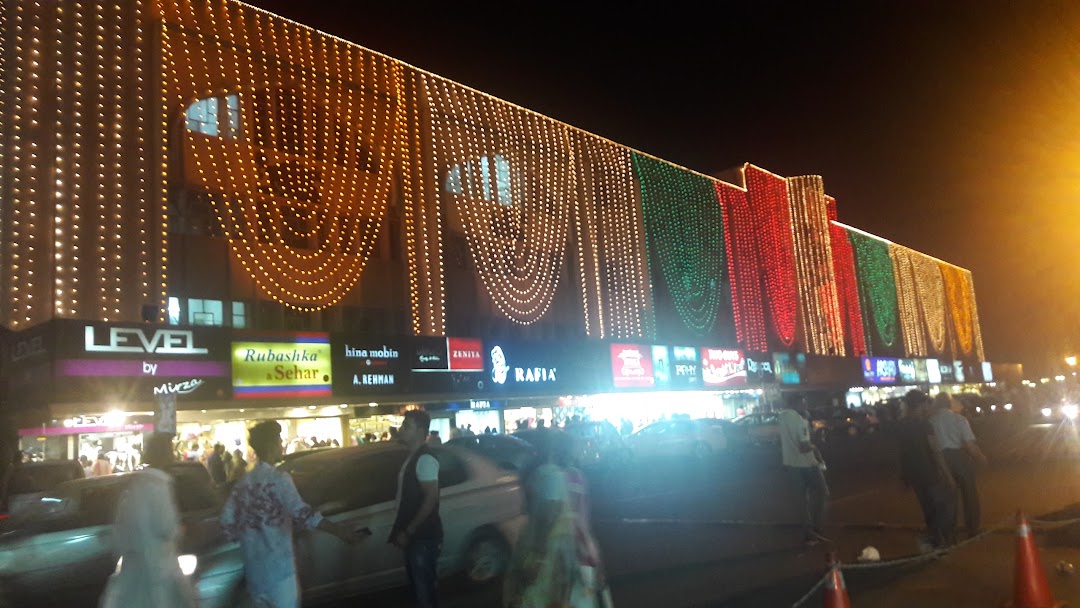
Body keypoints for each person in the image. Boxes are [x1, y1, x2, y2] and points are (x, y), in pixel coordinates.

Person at [221, 421, 365, 608]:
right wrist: (339, 531)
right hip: (280, 572)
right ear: (272, 445)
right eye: (279, 440)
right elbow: (303, 514)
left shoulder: (243, 484)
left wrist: (251, 537)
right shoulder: (279, 479)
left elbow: (226, 521)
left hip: (254, 574)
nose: (281, 444)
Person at [504, 431, 607, 608]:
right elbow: (583, 522)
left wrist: (536, 557)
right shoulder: (574, 477)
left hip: (553, 549)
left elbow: (547, 514)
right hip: (572, 548)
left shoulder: (544, 474)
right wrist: (596, 558)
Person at [99, 433, 197, 608]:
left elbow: (120, 531)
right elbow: (167, 527)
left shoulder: (134, 486)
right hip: (158, 570)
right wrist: (179, 529)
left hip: (134, 568)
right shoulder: (160, 486)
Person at [390, 410, 442, 608]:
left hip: (423, 539)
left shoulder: (425, 459)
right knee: (419, 590)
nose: (401, 430)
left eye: (407, 426)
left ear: (421, 431)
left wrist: (409, 530)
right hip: (417, 538)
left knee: (424, 594)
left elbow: (430, 499)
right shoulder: (413, 458)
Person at [899, 390, 957, 550]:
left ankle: (935, 541)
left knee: (928, 509)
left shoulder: (902, 425)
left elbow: (902, 453)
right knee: (942, 508)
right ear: (920, 405)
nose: (927, 406)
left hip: (915, 474)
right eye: (925, 403)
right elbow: (935, 451)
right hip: (930, 473)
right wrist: (948, 475)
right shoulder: (925, 424)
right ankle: (941, 541)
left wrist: (904, 477)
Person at [929, 393, 987, 539]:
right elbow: (969, 444)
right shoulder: (960, 419)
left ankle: (949, 531)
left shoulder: (931, 421)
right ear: (949, 404)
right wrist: (981, 457)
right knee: (969, 494)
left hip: (941, 458)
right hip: (959, 456)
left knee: (949, 496)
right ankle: (972, 527)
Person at [779, 394, 829, 546]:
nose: (805, 406)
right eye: (804, 403)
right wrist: (815, 446)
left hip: (790, 464)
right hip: (807, 464)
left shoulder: (782, 417)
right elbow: (804, 446)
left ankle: (807, 534)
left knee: (801, 500)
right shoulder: (801, 421)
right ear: (798, 403)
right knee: (821, 492)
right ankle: (817, 527)